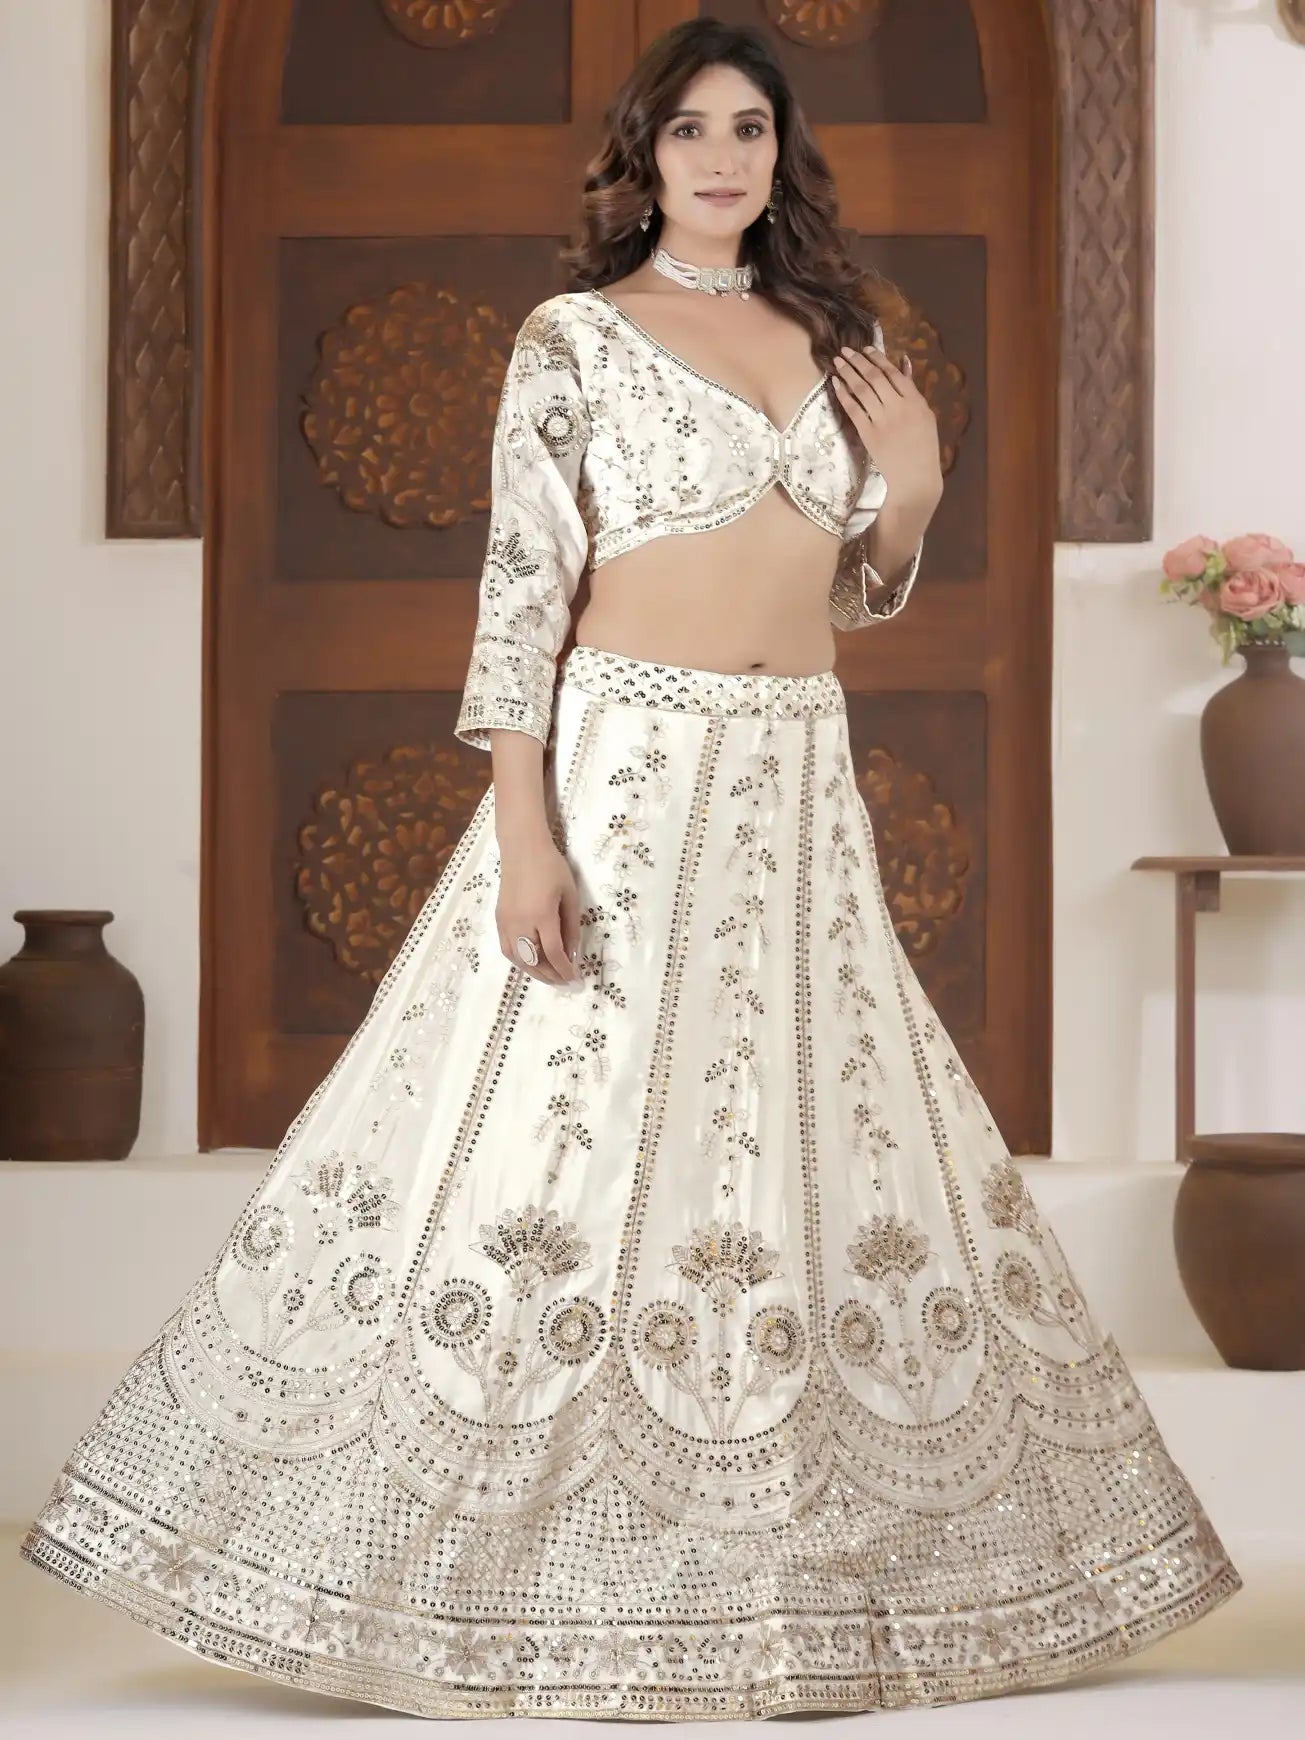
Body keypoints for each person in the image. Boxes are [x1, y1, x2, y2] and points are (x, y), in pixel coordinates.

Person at [19, 16, 1241, 1722]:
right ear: (643, 157)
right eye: (689, 134)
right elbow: (523, 593)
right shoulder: (573, 337)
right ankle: (459, 1570)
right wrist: (524, 825)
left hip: (795, 781)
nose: (722, 159)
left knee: (791, 1146)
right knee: (565, 1139)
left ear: (780, 150)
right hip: (624, 769)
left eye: (749, 128)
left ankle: (780, 1567)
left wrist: (914, 500)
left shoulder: (837, 339)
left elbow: (847, 598)